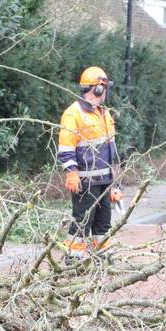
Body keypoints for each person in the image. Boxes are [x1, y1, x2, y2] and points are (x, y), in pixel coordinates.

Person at [56, 66, 123, 258]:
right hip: (85, 182)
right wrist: (71, 173)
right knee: (82, 223)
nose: (106, 92)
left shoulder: (103, 113)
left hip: (105, 181)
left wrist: (116, 184)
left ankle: (102, 261)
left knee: (103, 225)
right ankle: (73, 261)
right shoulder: (74, 113)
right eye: (104, 88)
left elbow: (112, 150)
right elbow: (66, 149)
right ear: (98, 88)